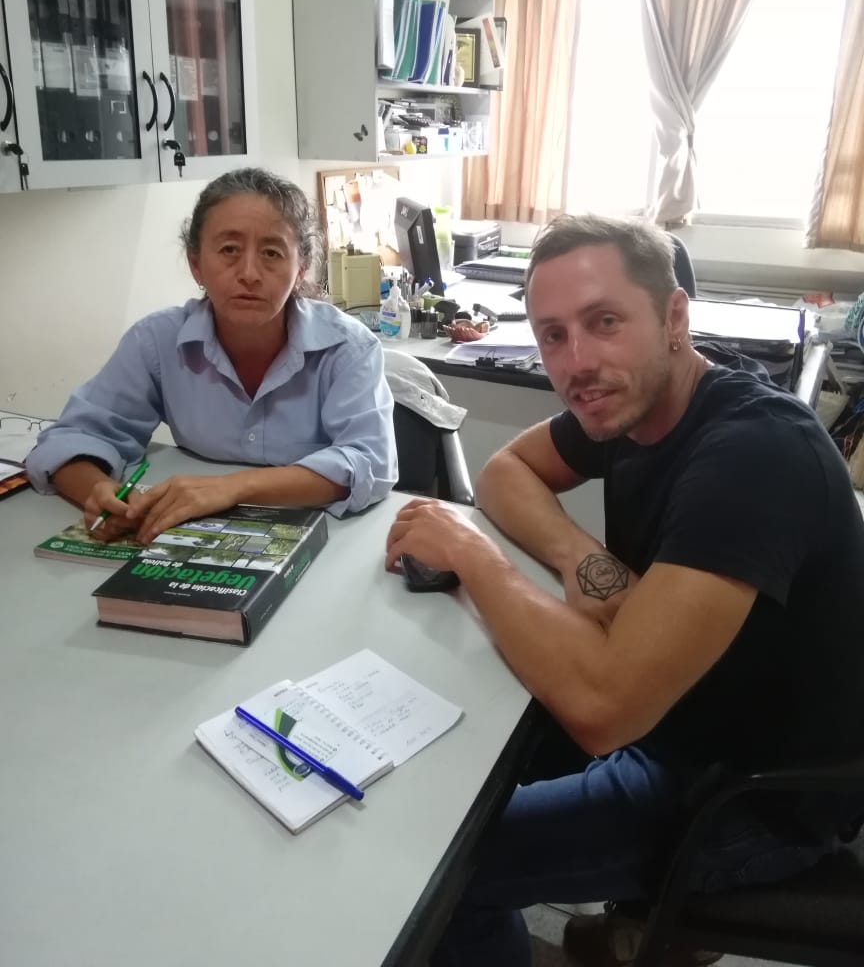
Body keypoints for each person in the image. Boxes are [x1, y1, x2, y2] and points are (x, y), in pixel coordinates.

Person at [385, 214, 864, 967]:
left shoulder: (754, 455)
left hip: (747, 796)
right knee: (448, 745)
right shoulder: (637, 400)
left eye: (604, 322)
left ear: (674, 319)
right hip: (677, 716)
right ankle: (631, 925)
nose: (577, 362)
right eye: (552, 335)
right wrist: (583, 559)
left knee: (437, 869)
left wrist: (475, 556)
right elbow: (509, 470)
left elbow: (604, 710)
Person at [27, 167, 397, 542]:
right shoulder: (157, 341)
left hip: (328, 540)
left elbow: (371, 462)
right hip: (193, 535)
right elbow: (71, 438)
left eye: (272, 253)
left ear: (300, 270)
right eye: (229, 250)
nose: (249, 273)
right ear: (196, 265)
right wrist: (98, 491)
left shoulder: (347, 348)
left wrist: (233, 488)